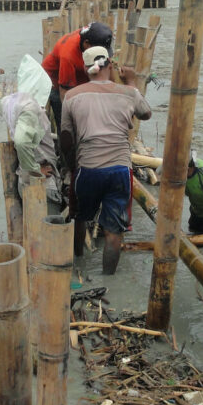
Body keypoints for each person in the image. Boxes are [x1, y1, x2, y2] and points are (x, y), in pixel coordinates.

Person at [59, 46, 151, 275]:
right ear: (110, 65)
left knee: (79, 216)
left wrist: (73, 167)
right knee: (114, 230)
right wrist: (131, 81)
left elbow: (66, 139)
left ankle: (78, 265)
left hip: (87, 168)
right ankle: (108, 280)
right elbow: (146, 113)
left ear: (86, 68)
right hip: (119, 170)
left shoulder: (71, 96)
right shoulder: (127, 92)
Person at [0, 55, 64, 213]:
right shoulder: (31, 109)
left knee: (34, 232)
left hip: (26, 182)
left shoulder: (11, 103)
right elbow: (21, 142)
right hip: (42, 184)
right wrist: (34, 169)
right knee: (48, 235)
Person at [41, 21, 113, 128]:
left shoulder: (89, 35)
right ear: (87, 44)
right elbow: (65, 92)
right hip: (55, 84)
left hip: (80, 77)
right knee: (67, 123)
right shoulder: (68, 55)